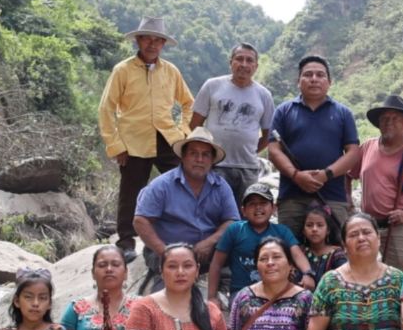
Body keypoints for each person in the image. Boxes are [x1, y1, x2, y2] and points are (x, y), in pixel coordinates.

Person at [99, 16, 194, 263]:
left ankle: (175, 235)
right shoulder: (123, 70)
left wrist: (183, 131)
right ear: (138, 40)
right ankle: (127, 241)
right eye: (148, 39)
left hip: (166, 138)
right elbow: (106, 109)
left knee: (179, 185)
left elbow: (188, 104)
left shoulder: (171, 71)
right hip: (133, 141)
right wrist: (116, 144)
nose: (153, 44)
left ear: (163, 44)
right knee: (131, 191)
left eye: (158, 40)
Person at [133, 127, 240, 291]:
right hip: (166, 249)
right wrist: (166, 252)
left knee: (239, 264)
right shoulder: (162, 185)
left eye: (205, 155)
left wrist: (210, 241)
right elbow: (140, 221)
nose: (199, 159)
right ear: (182, 157)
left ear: (212, 160)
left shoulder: (220, 186)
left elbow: (232, 221)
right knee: (167, 297)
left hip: (206, 252)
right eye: (193, 153)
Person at [268, 55, 360, 236]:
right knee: (290, 251)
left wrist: (326, 175)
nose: (314, 79)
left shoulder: (343, 113)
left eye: (320, 75)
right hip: (291, 197)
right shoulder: (284, 111)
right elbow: (273, 149)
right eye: (308, 74)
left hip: (331, 196)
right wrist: (296, 175)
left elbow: (353, 152)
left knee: (335, 252)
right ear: (298, 81)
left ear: (329, 81)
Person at [348, 95, 403, 272]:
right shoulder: (367, 147)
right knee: (366, 274)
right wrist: (350, 206)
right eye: (385, 119)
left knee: (402, 278)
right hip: (368, 226)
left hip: (400, 228)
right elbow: (348, 175)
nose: (389, 122)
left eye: (395, 118)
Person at [189, 42, 275, 206]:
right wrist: (207, 154)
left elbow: (268, 134)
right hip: (215, 165)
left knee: (244, 215)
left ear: (256, 66)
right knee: (212, 212)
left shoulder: (264, 95)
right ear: (231, 62)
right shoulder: (212, 86)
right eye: (239, 59)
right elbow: (195, 126)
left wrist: (252, 151)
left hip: (248, 168)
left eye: (249, 61)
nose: (244, 64)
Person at [209, 183, 315, 302]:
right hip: (242, 293)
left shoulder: (282, 231)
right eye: (252, 204)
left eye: (263, 203)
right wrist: (212, 297)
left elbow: (297, 254)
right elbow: (216, 264)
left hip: (277, 292)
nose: (258, 207)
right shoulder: (234, 230)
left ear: (274, 208)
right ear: (243, 210)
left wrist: (307, 274)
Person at [299, 202, 348, 287]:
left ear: (328, 230)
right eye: (309, 225)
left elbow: (344, 280)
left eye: (320, 225)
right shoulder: (300, 252)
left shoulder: (337, 254)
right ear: (304, 230)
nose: (314, 229)